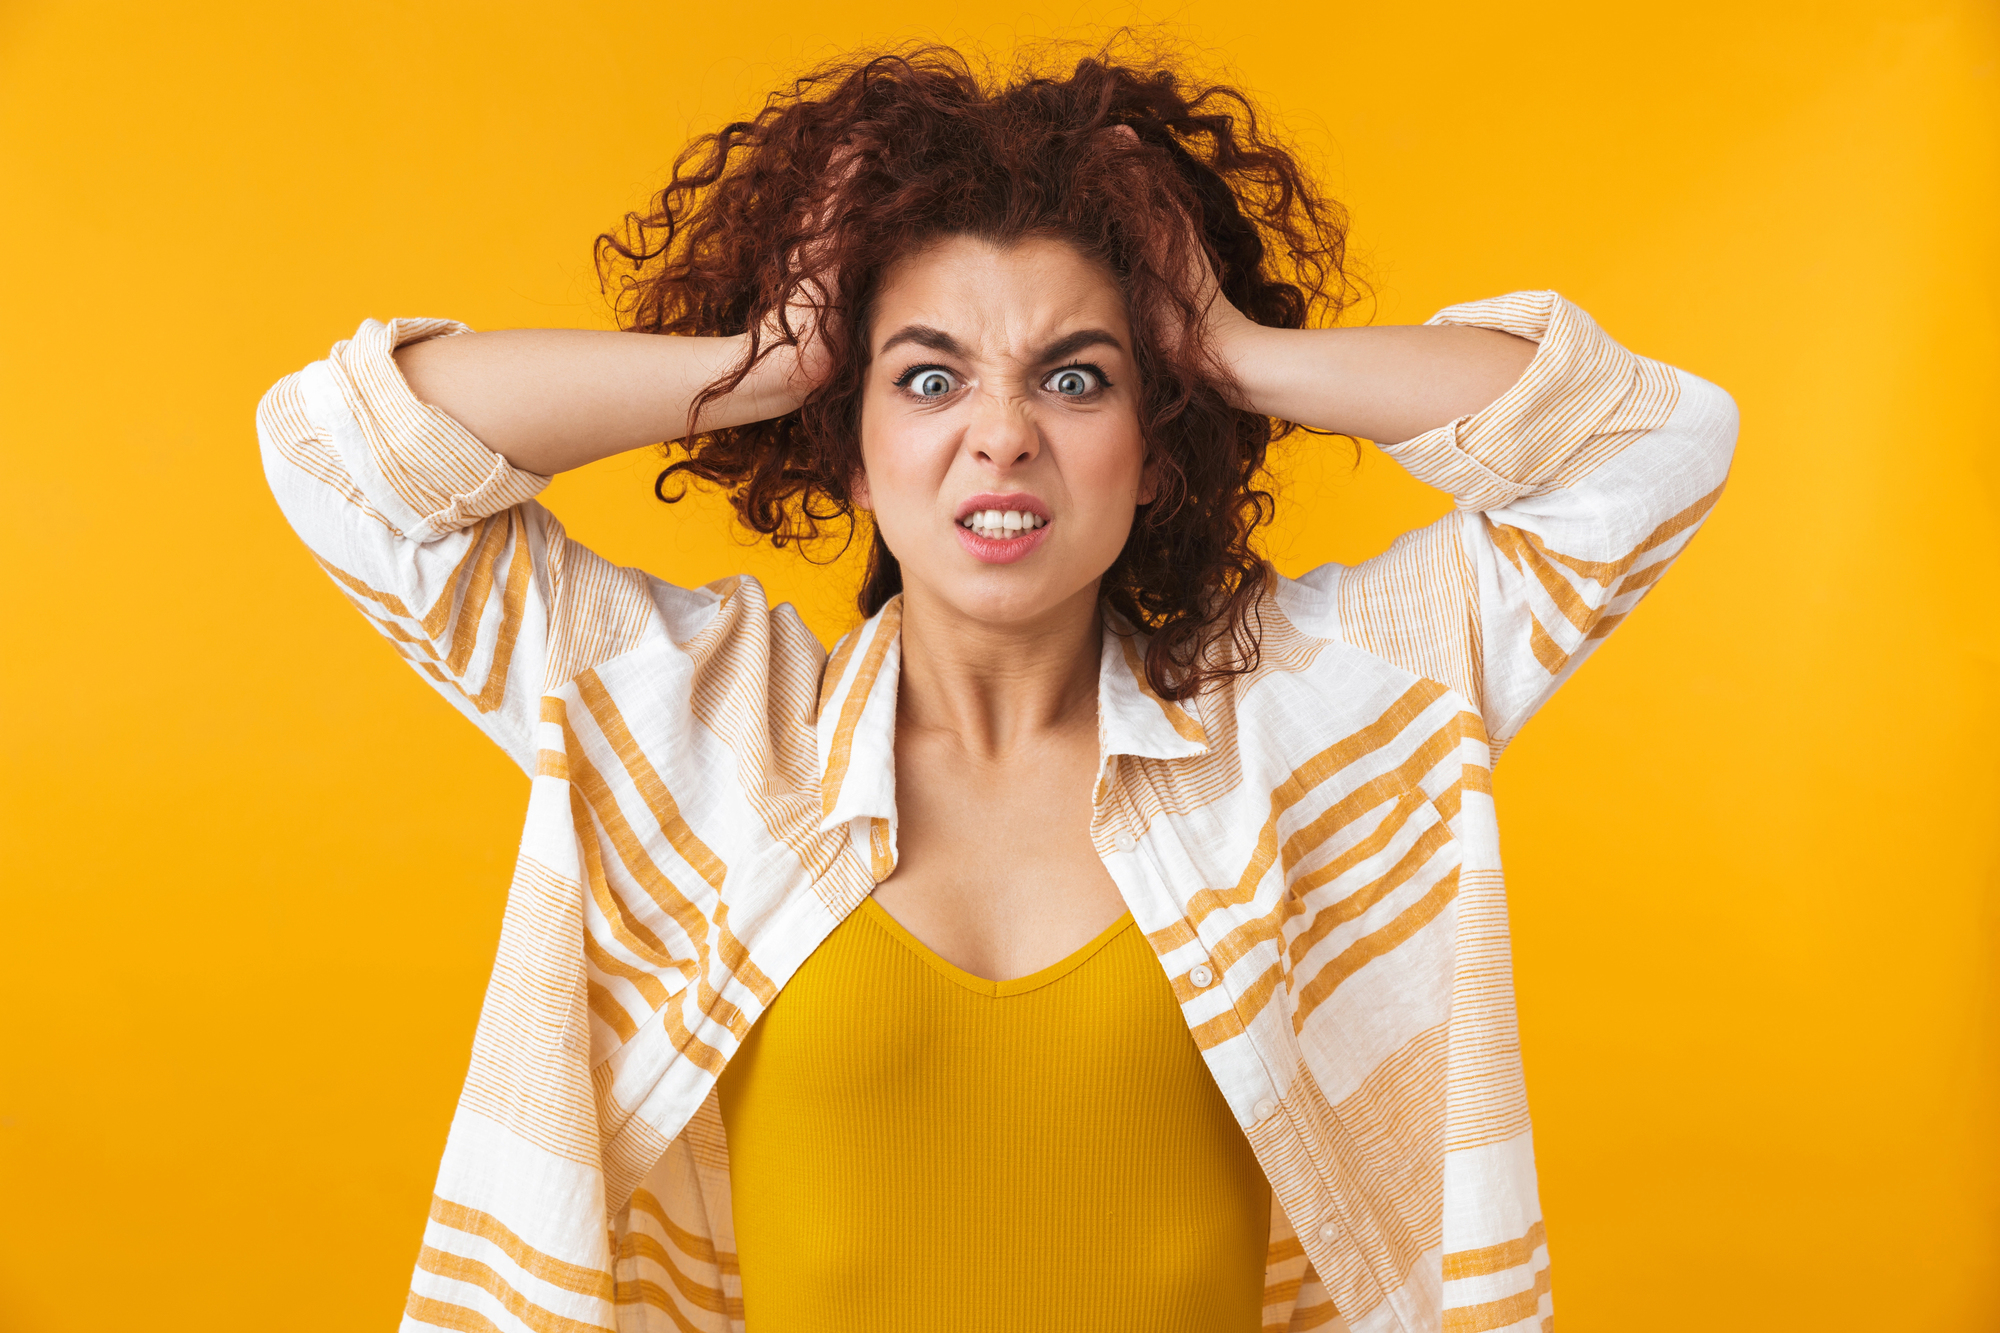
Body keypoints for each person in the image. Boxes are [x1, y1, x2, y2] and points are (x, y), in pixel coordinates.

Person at [256, 44, 1735, 1333]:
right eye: (929, 377)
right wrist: (761, 359)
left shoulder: (1292, 725)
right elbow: (334, 459)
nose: (1002, 435)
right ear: (848, 442)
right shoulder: (711, 733)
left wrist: (1229, 348)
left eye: (1077, 378)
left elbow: (1655, 450)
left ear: (1158, 448)